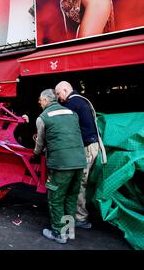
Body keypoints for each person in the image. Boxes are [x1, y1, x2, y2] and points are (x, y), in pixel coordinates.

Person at [32, 89, 86, 244]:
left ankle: (58, 233)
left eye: (40, 100)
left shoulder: (43, 117)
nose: (39, 103)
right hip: (79, 161)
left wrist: (35, 154)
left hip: (61, 163)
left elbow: (40, 143)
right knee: (71, 196)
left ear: (45, 100)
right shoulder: (71, 113)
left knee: (56, 198)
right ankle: (69, 230)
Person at [55, 81, 107, 229]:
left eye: (59, 94)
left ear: (66, 90)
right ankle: (80, 215)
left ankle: (80, 218)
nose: (59, 98)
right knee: (82, 182)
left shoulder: (72, 103)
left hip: (87, 147)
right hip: (92, 145)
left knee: (79, 182)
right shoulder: (81, 101)